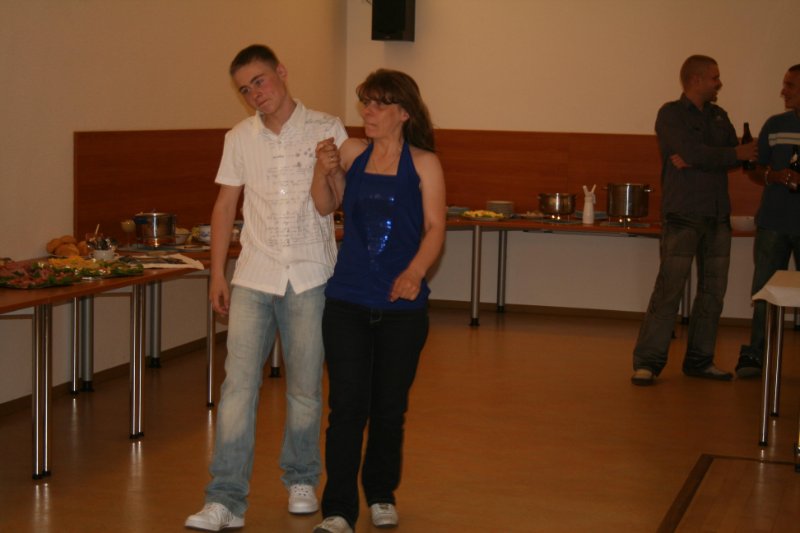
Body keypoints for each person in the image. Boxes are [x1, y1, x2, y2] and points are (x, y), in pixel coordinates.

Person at [185, 44, 348, 531]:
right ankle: (225, 500)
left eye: (260, 81)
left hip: (310, 275)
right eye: (245, 89)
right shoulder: (239, 137)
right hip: (254, 276)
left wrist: (330, 168)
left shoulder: (327, 127)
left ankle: (302, 478)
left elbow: (339, 200)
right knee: (237, 388)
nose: (255, 94)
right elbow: (224, 207)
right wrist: (218, 273)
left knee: (305, 388)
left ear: (281, 72)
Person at [309, 69, 446, 533]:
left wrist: (414, 272)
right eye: (365, 102)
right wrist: (323, 169)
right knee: (346, 409)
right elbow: (327, 205)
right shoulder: (352, 152)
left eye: (378, 104)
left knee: (389, 409)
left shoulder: (424, 163)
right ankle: (338, 509)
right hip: (346, 301)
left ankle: (382, 494)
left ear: (403, 113)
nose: (367, 111)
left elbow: (435, 229)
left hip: (402, 311)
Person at [630, 55, 757, 386]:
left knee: (713, 292)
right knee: (669, 289)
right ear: (696, 79)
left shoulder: (719, 115)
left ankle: (700, 361)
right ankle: (647, 363)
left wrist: (704, 157)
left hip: (718, 215)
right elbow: (709, 153)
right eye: (715, 77)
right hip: (683, 213)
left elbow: (723, 155)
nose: (719, 83)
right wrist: (721, 155)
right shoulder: (670, 114)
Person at [735, 64, 800, 379]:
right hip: (773, 221)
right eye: (784, 84)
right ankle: (755, 354)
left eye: (790, 85)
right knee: (763, 289)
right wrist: (774, 175)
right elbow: (755, 169)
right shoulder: (775, 125)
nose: (783, 91)